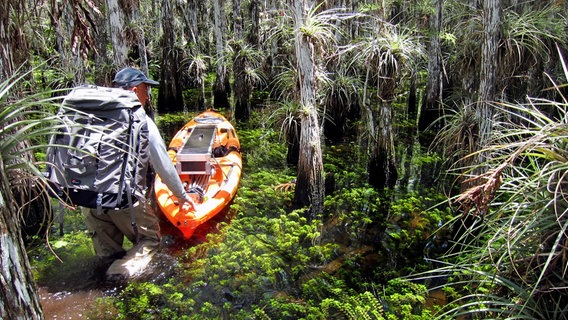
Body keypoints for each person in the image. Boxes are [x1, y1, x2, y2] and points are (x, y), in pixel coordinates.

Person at [82, 67, 194, 283]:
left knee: (107, 255)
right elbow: (163, 165)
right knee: (149, 241)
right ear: (134, 90)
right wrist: (182, 196)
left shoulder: (94, 115)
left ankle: (103, 295)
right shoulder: (140, 120)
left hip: (89, 200)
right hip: (123, 199)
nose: (147, 95)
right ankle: (120, 276)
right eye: (145, 90)